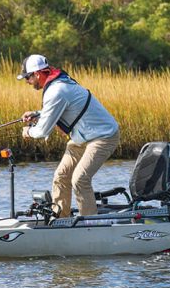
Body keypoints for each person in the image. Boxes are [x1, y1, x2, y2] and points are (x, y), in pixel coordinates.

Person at [18, 54, 120, 218]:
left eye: (28, 77)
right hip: (82, 138)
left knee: (80, 179)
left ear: (37, 74)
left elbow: (43, 131)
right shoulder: (58, 85)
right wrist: (38, 114)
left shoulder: (57, 90)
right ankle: (60, 220)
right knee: (61, 176)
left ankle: (90, 223)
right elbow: (59, 109)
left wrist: (28, 131)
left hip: (103, 136)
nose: (27, 82)